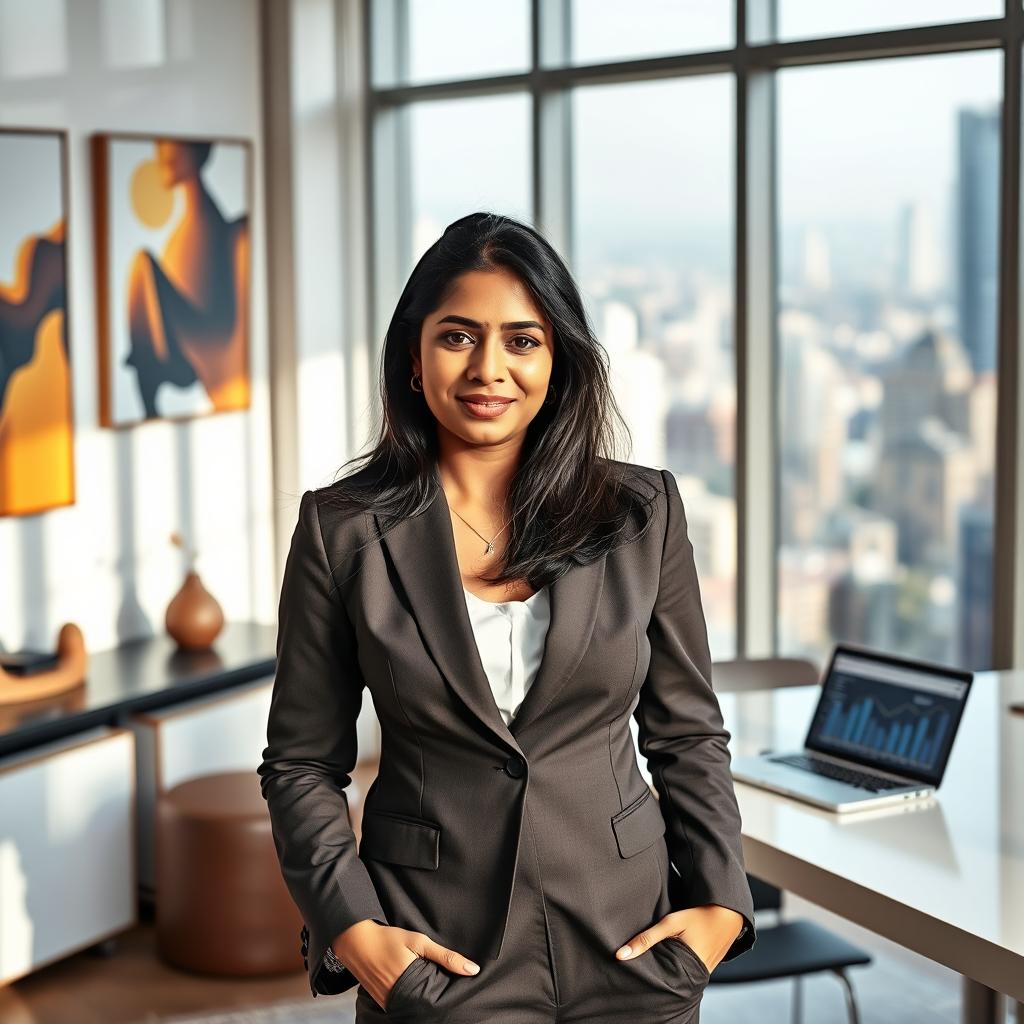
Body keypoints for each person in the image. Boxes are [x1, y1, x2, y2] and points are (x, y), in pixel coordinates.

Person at [258, 212, 756, 1023]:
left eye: (523, 340)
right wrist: (352, 931)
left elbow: (688, 732)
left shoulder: (642, 511)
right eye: (458, 337)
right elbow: (301, 766)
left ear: (558, 362)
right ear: (414, 360)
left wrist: (720, 906)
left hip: (630, 943)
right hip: (436, 949)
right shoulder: (341, 530)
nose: (490, 368)